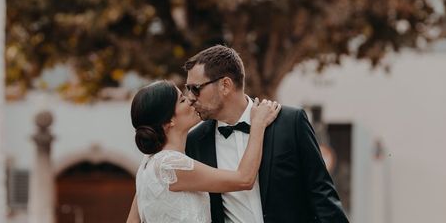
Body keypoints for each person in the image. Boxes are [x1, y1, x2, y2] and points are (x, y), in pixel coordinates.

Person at [184, 45, 349, 223]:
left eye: (196, 88)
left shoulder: (290, 122)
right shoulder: (195, 141)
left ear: (225, 85)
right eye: (188, 89)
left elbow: (322, 194)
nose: (190, 97)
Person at [126, 80, 280, 223]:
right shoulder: (170, 165)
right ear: (169, 121)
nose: (191, 99)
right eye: (182, 100)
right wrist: (258, 124)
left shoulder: (147, 164)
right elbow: (244, 179)